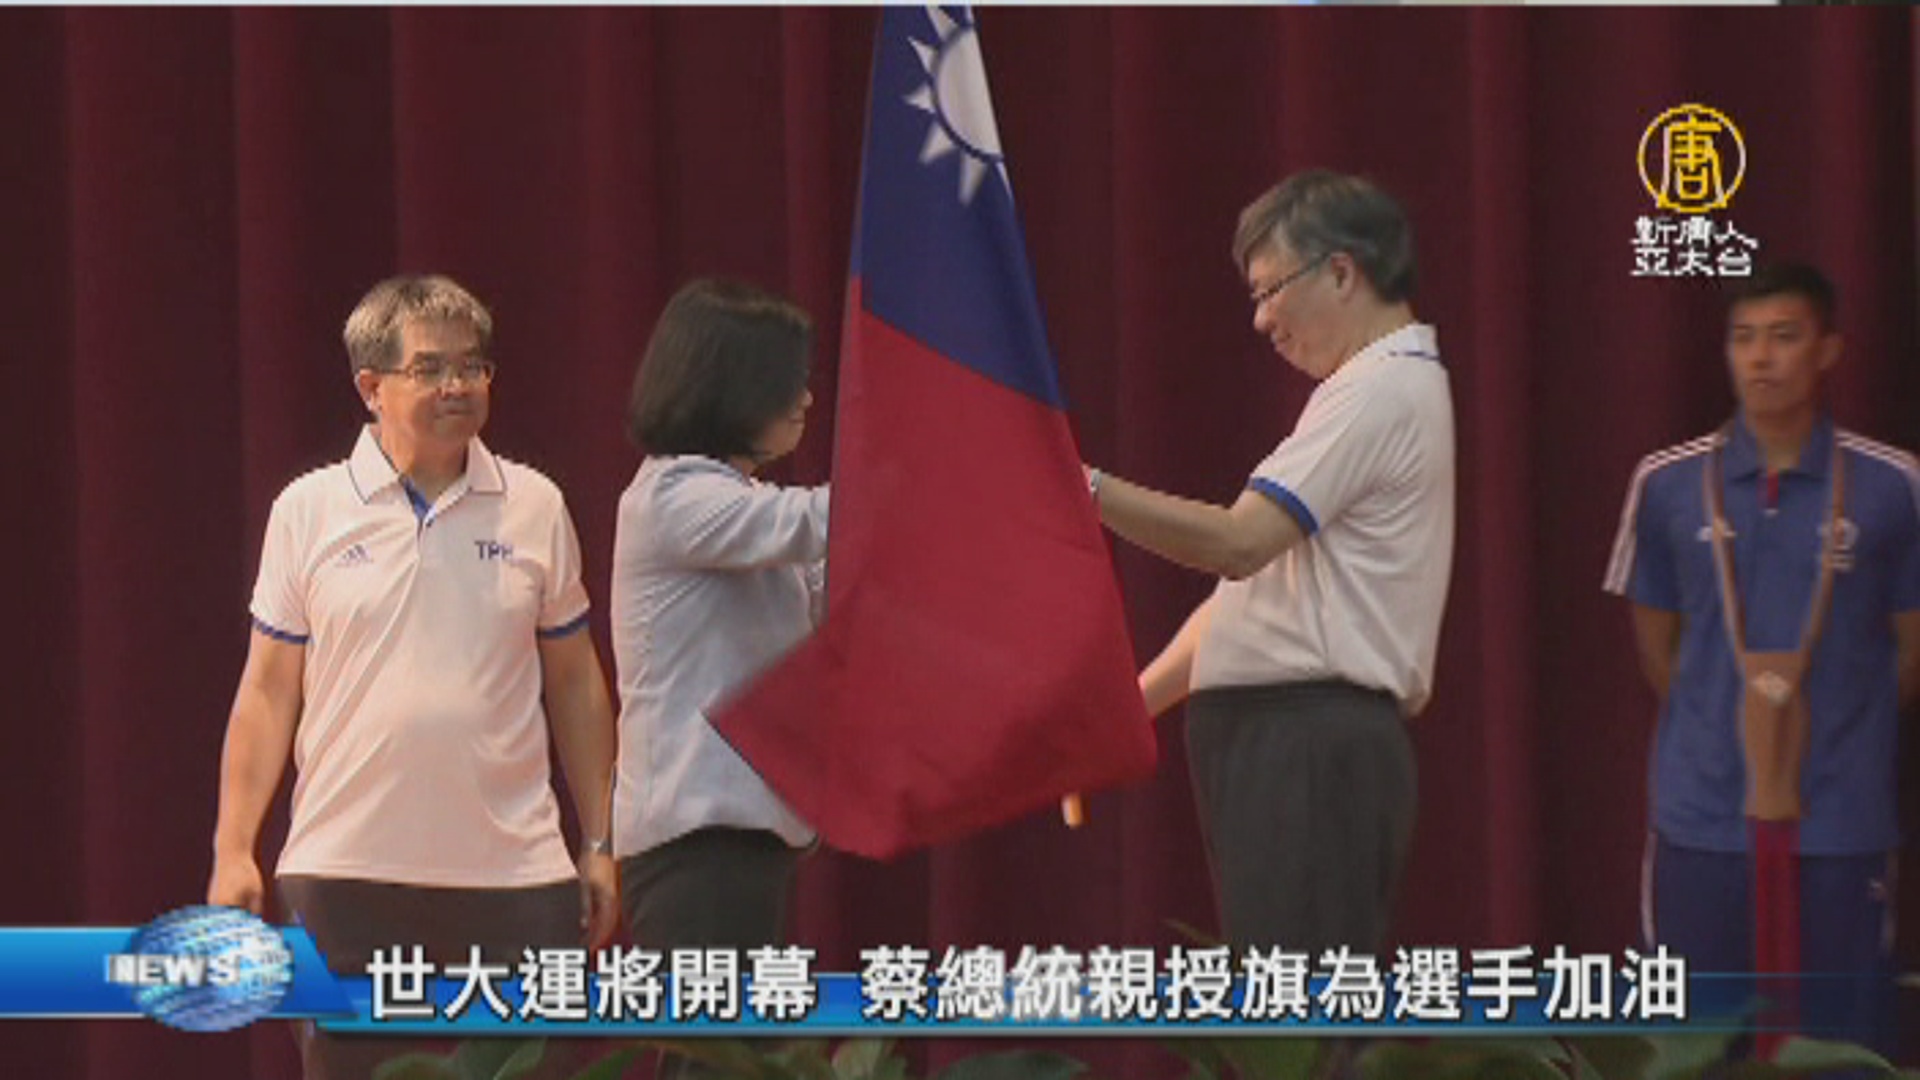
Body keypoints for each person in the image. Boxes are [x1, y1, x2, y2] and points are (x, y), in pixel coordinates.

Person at [207, 274, 619, 1080]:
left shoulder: (534, 505)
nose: (457, 386)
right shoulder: (308, 510)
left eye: (473, 367)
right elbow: (267, 692)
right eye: (430, 369)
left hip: (518, 874)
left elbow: (576, 682)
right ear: (372, 387)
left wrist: (600, 842)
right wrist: (233, 848)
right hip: (344, 871)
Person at [1085, 170, 1455, 955]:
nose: (1261, 321)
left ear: (1343, 272)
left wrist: (1082, 490)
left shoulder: (1382, 388)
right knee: (1278, 994)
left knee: (1296, 1007)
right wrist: (1124, 714)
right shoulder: (1366, 387)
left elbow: (1238, 543)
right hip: (1282, 740)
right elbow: (1247, 601)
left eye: (1270, 290)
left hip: (1307, 743)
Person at [1604, 262, 1920, 1054]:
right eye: (1744, 338)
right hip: (1702, 819)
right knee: (1691, 1048)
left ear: (1828, 349)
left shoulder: (1893, 486)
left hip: (1840, 820)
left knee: (1841, 1050)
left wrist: (1840, 726)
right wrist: (1726, 719)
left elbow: (1910, 652)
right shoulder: (1668, 484)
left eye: (1784, 336)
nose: (1761, 358)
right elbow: (1658, 649)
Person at [611, 278, 827, 953]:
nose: (807, 399)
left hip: (743, 840)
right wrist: (926, 475)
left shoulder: (744, 503)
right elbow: (817, 521)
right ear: (733, 389)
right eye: (788, 383)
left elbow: (839, 581)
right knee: (714, 1026)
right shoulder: (672, 494)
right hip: (696, 845)